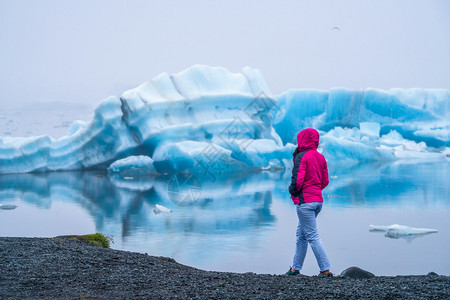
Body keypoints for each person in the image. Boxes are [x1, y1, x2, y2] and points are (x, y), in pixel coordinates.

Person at [285, 128, 333, 277]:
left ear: (302, 140)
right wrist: (315, 190)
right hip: (317, 201)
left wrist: (292, 191)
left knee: (312, 236)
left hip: (305, 202)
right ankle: (295, 268)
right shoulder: (320, 157)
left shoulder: (301, 156)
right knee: (302, 235)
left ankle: (325, 270)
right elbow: (325, 181)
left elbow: (297, 180)